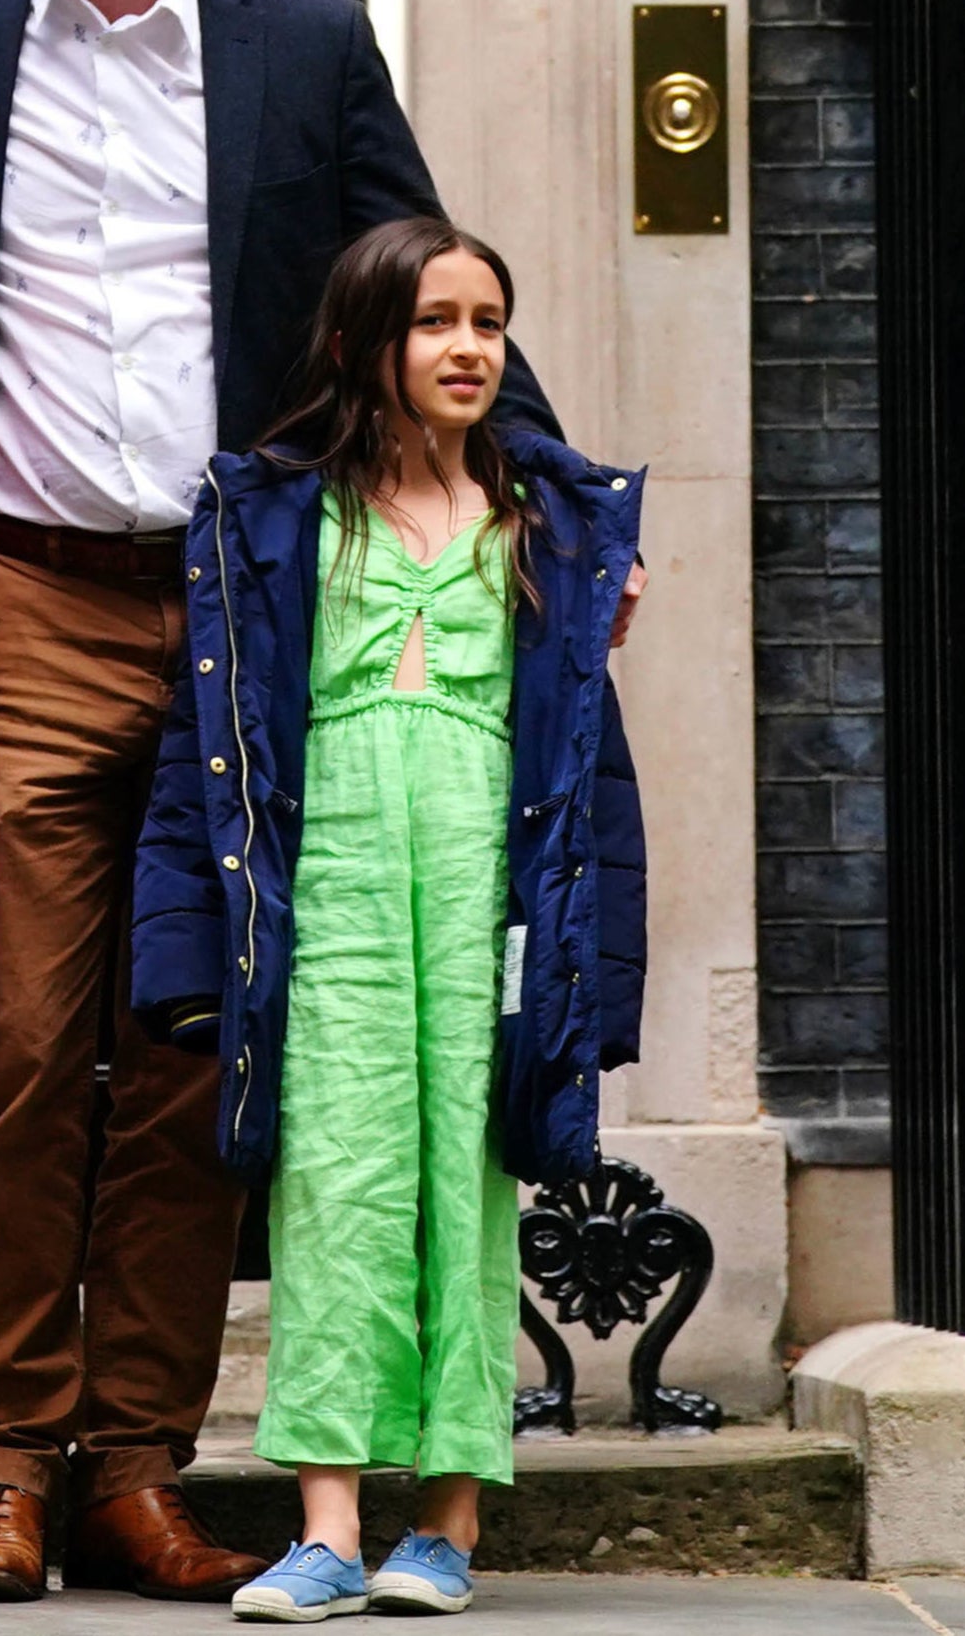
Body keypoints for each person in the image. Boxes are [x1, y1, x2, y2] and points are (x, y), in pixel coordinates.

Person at [0, 0, 641, 1603]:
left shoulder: (304, 47)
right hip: (23, 592)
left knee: (202, 1035)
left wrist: (548, 493)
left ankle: (139, 1453)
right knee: (22, 1036)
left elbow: (421, 274)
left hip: (251, 614)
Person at [128, 218, 647, 1622]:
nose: (470, 347)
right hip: (334, 889)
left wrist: (597, 971)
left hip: (488, 893)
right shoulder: (279, 516)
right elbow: (210, 742)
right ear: (367, 345)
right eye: (436, 322)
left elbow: (589, 768)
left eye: (490, 320)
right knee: (336, 1189)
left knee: (463, 1190)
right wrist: (179, 946)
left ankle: (450, 1522)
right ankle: (328, 1525)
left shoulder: (548, 527)